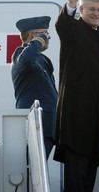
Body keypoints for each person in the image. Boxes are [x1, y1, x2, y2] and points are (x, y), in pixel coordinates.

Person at [53, 0, 99, 192]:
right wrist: (69, 5)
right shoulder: (74, 30)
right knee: (76, 178)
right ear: (81, 9)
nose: (97, 13)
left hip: (95, 119)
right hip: (76, 118)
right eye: (92, 9)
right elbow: (62, 25)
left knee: (89, 176)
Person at [11, 16, 58, 160]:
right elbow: (26, 58)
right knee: (32, 170)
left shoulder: (42, 59)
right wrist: (38, 40)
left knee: (39, 170)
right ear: (31, 36)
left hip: (48, 125)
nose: (48, 37)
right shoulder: (21, 54)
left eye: (47, 34)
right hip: (35, 124)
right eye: (44, 34)